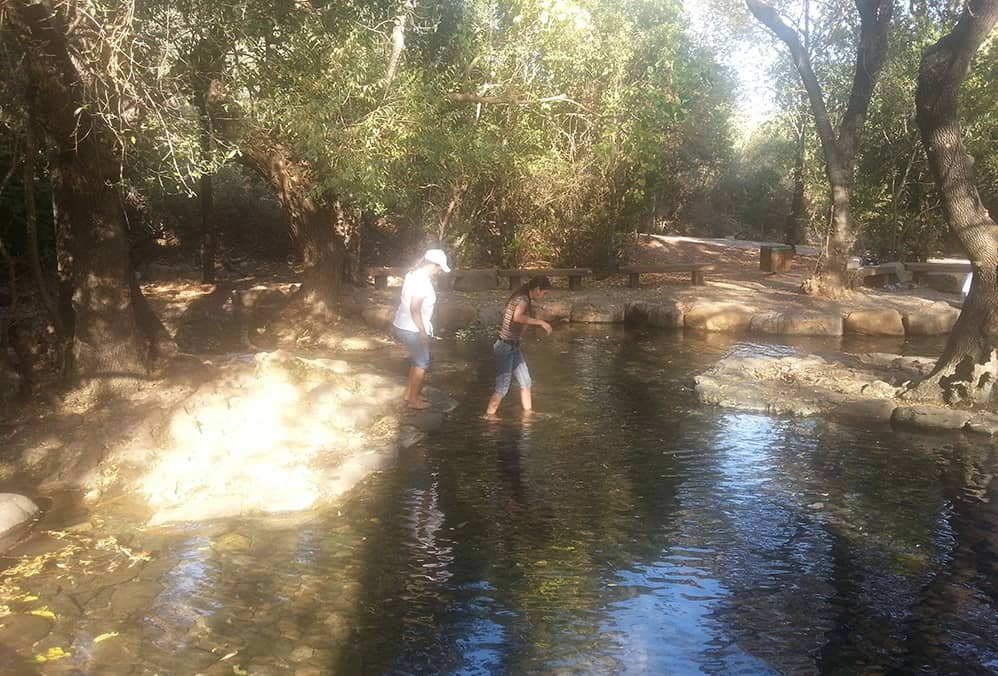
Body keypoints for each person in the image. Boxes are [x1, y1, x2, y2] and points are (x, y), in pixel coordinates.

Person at [483, 276, 553, 419]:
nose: (544, 297)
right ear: (537, 290)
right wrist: (540, 322)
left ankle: (528, 415)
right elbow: (517, 317)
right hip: (505, 348)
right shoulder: (523, 299)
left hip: (513, 347)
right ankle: (488, 416)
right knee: (502, 388)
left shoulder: (523, 297)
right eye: (544, 293)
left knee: (526, 382)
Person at [393, 248, 450, 409]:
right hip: (412, 327)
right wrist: (423, 331)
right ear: (432, 264)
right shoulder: (421, 281)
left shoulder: (413, 274)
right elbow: (414, 308)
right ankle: (413, 400)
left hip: (404, 324)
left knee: (417, 360)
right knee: (423, 362)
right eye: (439, 268)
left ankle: (409, 394)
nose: (439, 271)